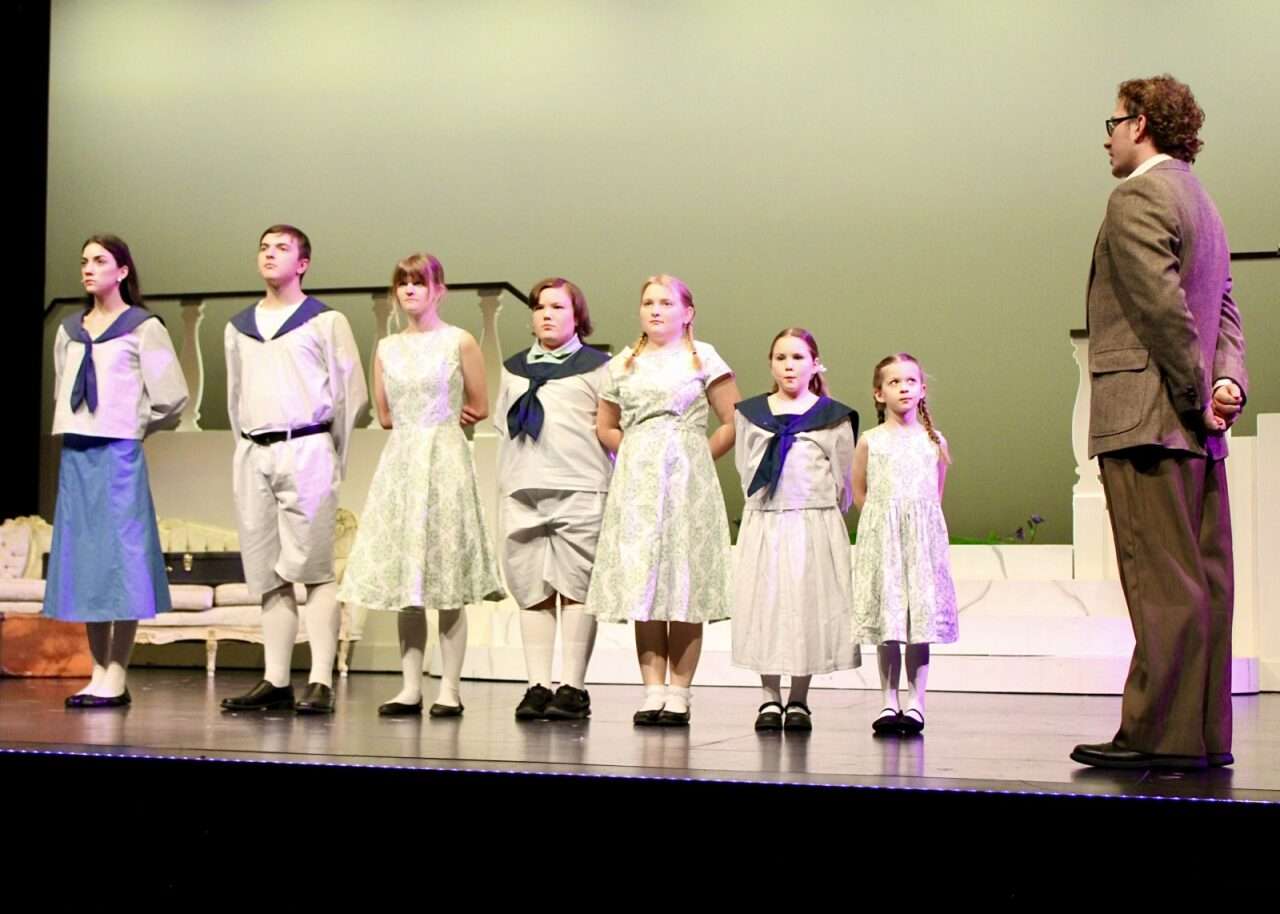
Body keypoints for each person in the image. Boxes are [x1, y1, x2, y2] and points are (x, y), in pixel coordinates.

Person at [1071, 75, 1247, 770]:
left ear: (1139, 123)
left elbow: (1160, 309)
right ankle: (1203, 736)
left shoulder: (1138, 194)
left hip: (1150, 415)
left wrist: (1197, 388)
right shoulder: (1202, 200)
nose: (1106, 137)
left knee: (1161, 579)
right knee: (1204, 580)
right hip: (1193, 423)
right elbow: (1225, 307)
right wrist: (1226, 380)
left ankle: (1157, 735)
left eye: (1111, 122)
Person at [338, 253, 504, 717]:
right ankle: (409, 687)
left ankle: (449, 688)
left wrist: (443, 425)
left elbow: (479, 403)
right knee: (407, 579)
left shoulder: (459, 340)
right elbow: (385, 414)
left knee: (446, 577)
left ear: (438, 289)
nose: (409, 291)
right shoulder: (387, 347)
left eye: (418, 283)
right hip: (403, 462)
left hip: (445, 457)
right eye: (402, 284)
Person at [221, 225, 368, 715]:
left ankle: (321, 679)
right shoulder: (238, 326)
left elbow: (352, 396)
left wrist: (331, 455)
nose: (269, 254)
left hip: (305, 446)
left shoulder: (324, 321)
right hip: (254, 451)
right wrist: (243, 448)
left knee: (315, 569)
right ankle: (276, 679)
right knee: (267, 572)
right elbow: (233, 395)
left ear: (302, 263)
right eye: (263, 247)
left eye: (281, 248)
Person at [585, 274, 739, 726]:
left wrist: (695, 455)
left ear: (687, 312)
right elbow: (606, 426)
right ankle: (652, 689)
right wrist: (635, 453)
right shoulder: (624, 364)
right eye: (648, 302)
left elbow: (731, 420)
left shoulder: (703, 357)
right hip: (638, 483)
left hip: (688, 482)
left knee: (684, 585)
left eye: (666, 303)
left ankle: (680, 691)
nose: (655, 310)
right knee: (644, 586)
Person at [45, 234, 189, 708]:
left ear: (122, 270)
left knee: (121, 561)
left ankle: (117, 672)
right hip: (78, 453)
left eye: (100, 260)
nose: (88, 268)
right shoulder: (68, 330)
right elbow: (60, 388)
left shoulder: (142, 327)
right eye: (84, 260)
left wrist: (135, 426)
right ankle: (97, 670)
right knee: (88, 559)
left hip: (119, 453)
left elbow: (171, 396)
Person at [493, 278, 611, 721]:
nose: (547, 314)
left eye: (558, 307)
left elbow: (609, 426)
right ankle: (537, 684)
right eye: (540, 306)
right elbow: (503, 429)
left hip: (580, 485)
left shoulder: (599, 366)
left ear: (576, 314)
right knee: (531, 590)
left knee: (577, 587)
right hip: (524, 487)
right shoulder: (513, 367)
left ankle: (573, 687)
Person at [732, 328, 860, 733]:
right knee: (766, 607)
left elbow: (845, 476)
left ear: (815, 364)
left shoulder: (833, 416)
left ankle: (800, 698)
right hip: (767, 520)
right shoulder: (750, 413)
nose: (789, 366)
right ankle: (769, 697)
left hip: (812, 522)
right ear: (771, 364)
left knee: (808, 607)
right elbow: (744, 468)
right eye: (782, 358)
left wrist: (823, 512)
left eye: (798, 357)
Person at [852, 353, 957, 736]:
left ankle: (916, 702)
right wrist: (884, 525)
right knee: (890, 622)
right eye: (894, 382)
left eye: (910, 381)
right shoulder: (871, 441)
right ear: (878, 394)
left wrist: (917, 530)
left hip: (921, 543)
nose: (903, 388)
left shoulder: (933, 442)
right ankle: (887, 700)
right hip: (885, 542)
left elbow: (936, 495)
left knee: (919, 622)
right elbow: (860, 491)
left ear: (922, 389)